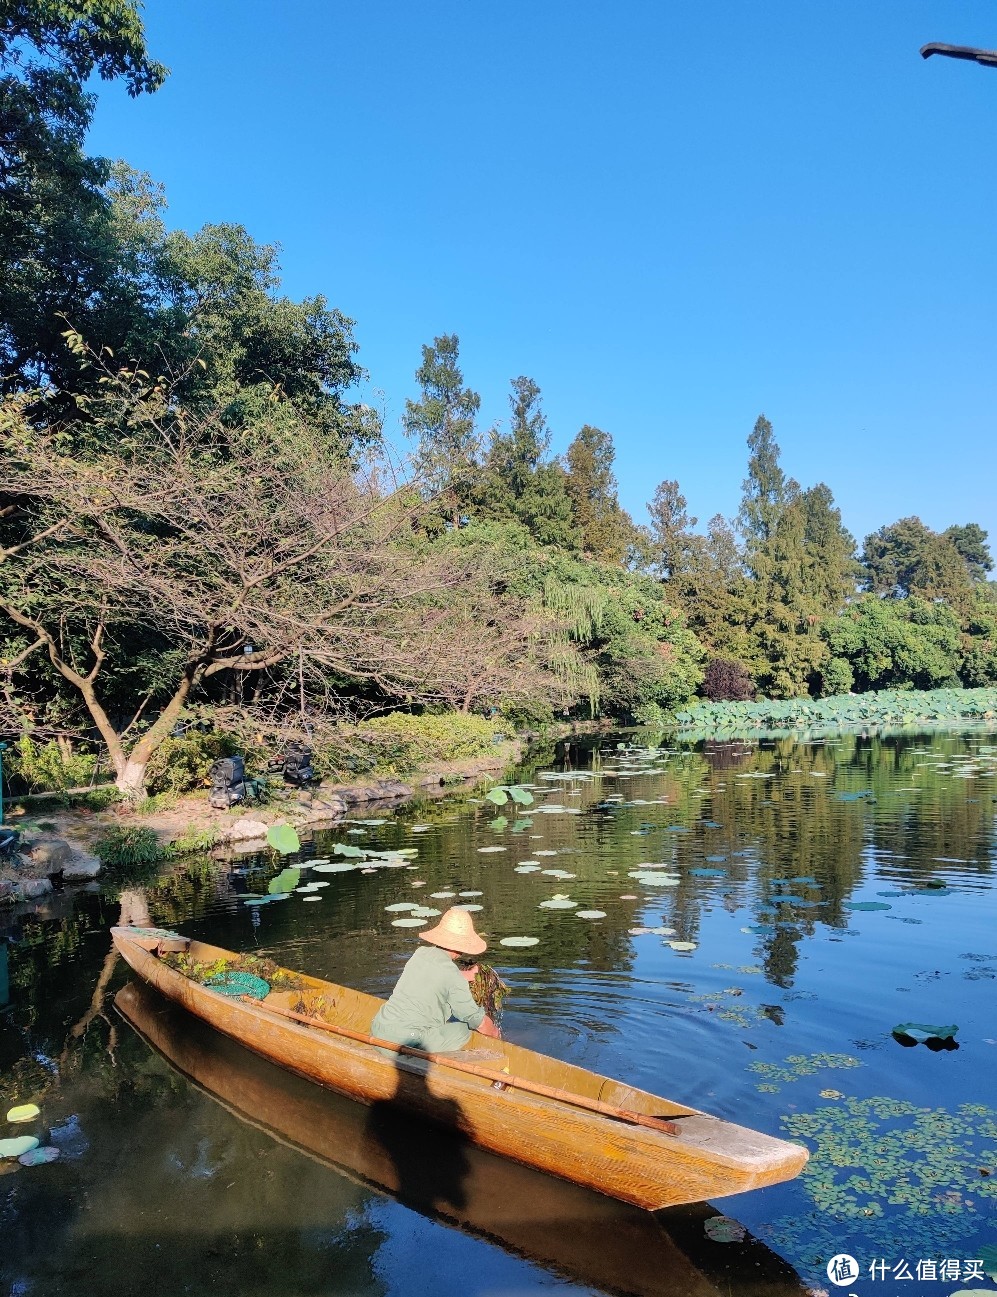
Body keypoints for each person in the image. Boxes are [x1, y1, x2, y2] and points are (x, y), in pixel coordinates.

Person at [371, 907, 502, 1055]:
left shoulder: (420, 954)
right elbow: (476, 1019)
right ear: (463, 946)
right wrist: (494, 1032)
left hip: (378, 1030)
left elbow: (439, 974)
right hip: (405, 1043)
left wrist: (468, 975)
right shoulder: (452, 976)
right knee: (463, 1030)